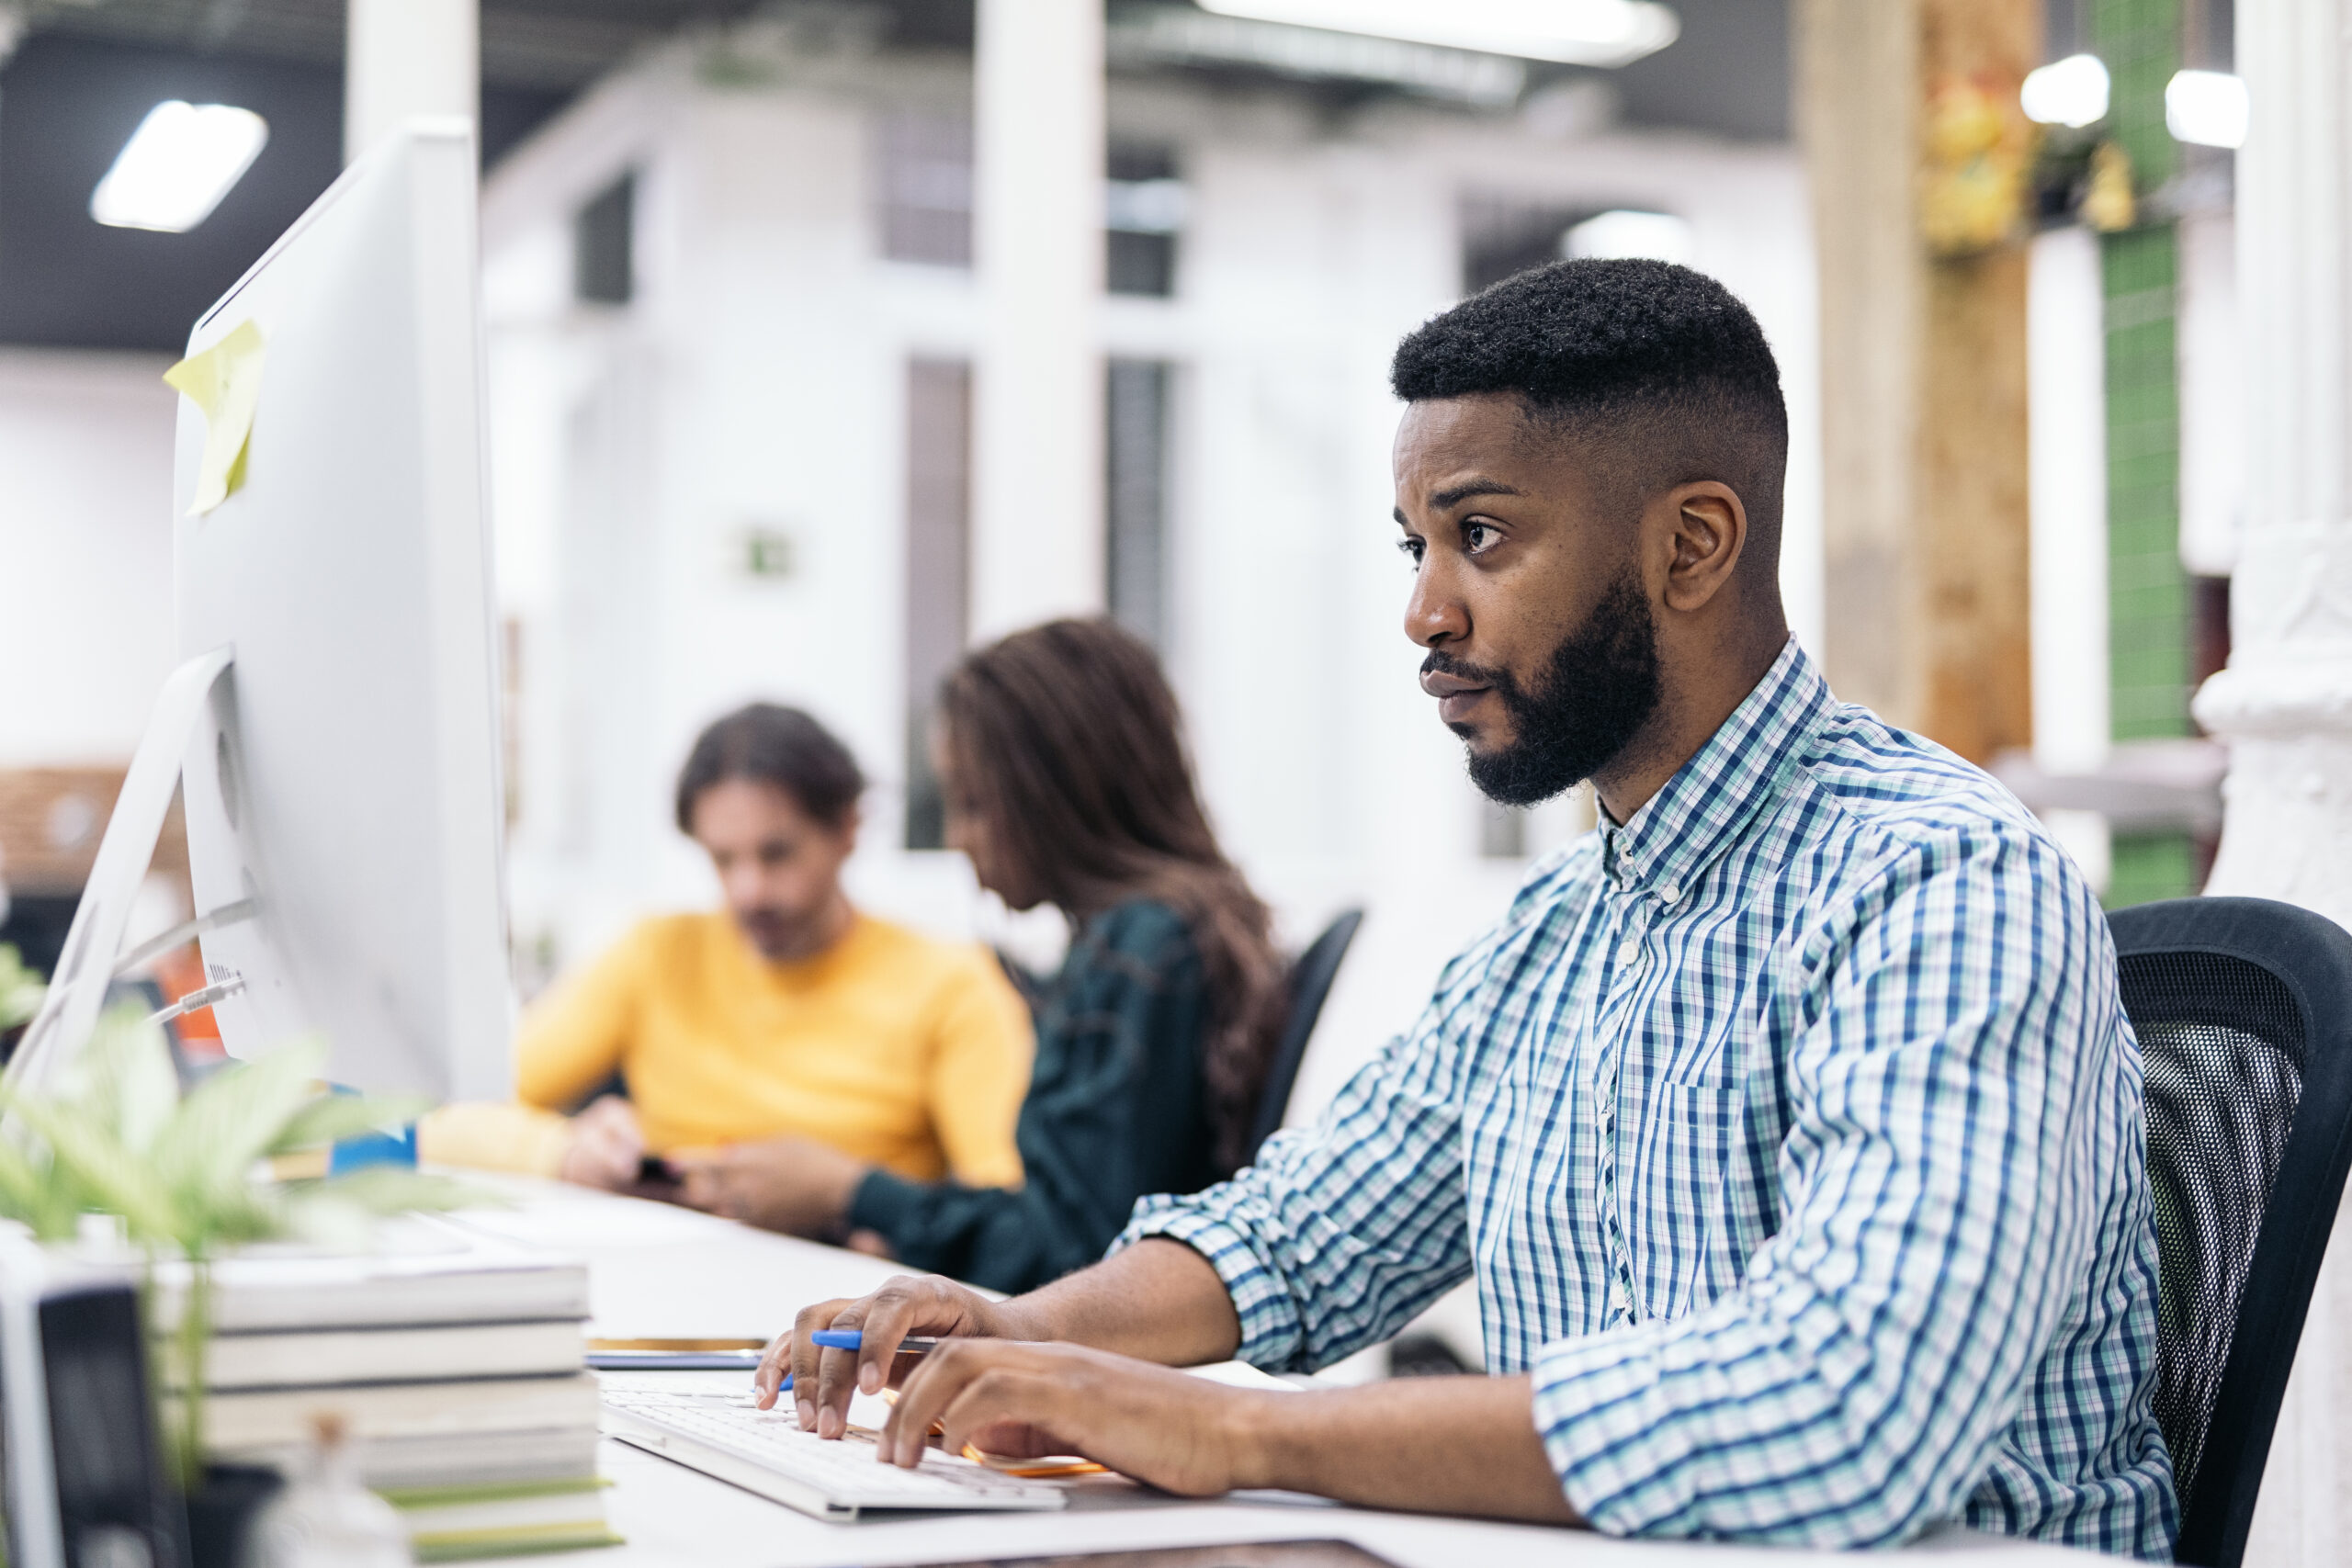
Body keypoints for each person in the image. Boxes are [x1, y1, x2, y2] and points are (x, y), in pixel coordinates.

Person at [760, 260, 2177, 1558]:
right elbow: (1309, 1225)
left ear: (1691, 547)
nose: (1424, 612)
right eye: (1413, 546)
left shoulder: (1944, 881)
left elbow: (1847, 1404)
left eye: (1480, 536)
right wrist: (1022, 1326)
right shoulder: (1556, 930)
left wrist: (1234, 1428)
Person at [673, 619, 1289, 1294]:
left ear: (1057, 794)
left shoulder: (1145, 951)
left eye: (971, 802)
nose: (959, 837)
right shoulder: (1159, 936)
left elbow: (1070, 1257)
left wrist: (851, 1191)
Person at [421, 704, 1030, 1198]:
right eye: (722, 858)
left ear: (847, 829)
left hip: (843, 1308)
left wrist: (867, 1210)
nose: (749, 890)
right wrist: (564, 1151)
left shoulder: (950, 983)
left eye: (777, 853)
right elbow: (450, 1109)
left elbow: (1006, 1206)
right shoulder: (658, 952)